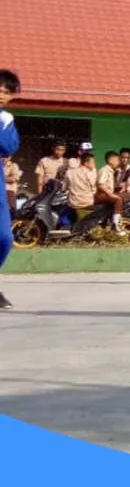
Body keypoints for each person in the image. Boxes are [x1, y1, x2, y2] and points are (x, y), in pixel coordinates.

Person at [0, 70, 20, 310]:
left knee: (5, 238)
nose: (2, 95)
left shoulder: (6, 119)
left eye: (7, 92)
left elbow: (10, 144)